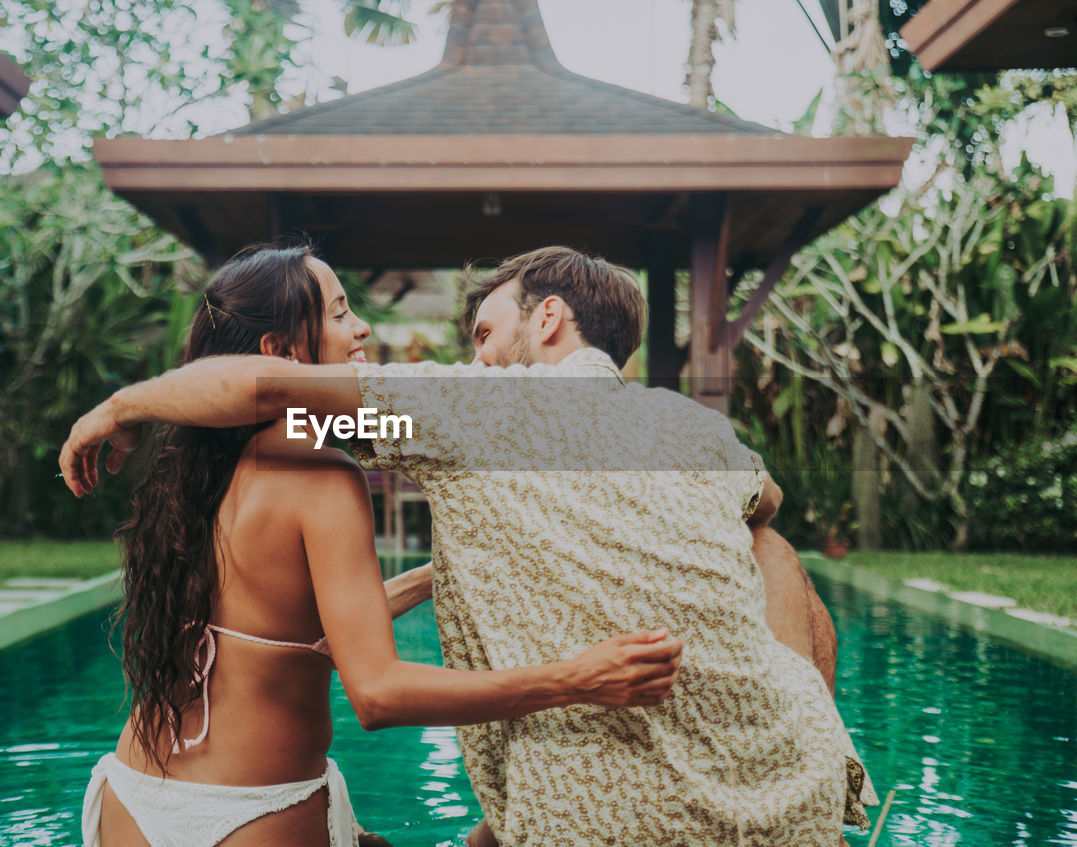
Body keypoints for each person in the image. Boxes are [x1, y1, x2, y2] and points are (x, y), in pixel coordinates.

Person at [62, 245, 876, 846]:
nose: (470, 357)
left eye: (484, 333)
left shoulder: (215, 472)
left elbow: (265, 408)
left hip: (129, 795)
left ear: (548, 318)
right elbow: (766, 504)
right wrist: (576, 676)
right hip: (264, 816)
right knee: (773, 548)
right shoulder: (687, 431)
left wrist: (128, 408)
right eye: (343, 311)